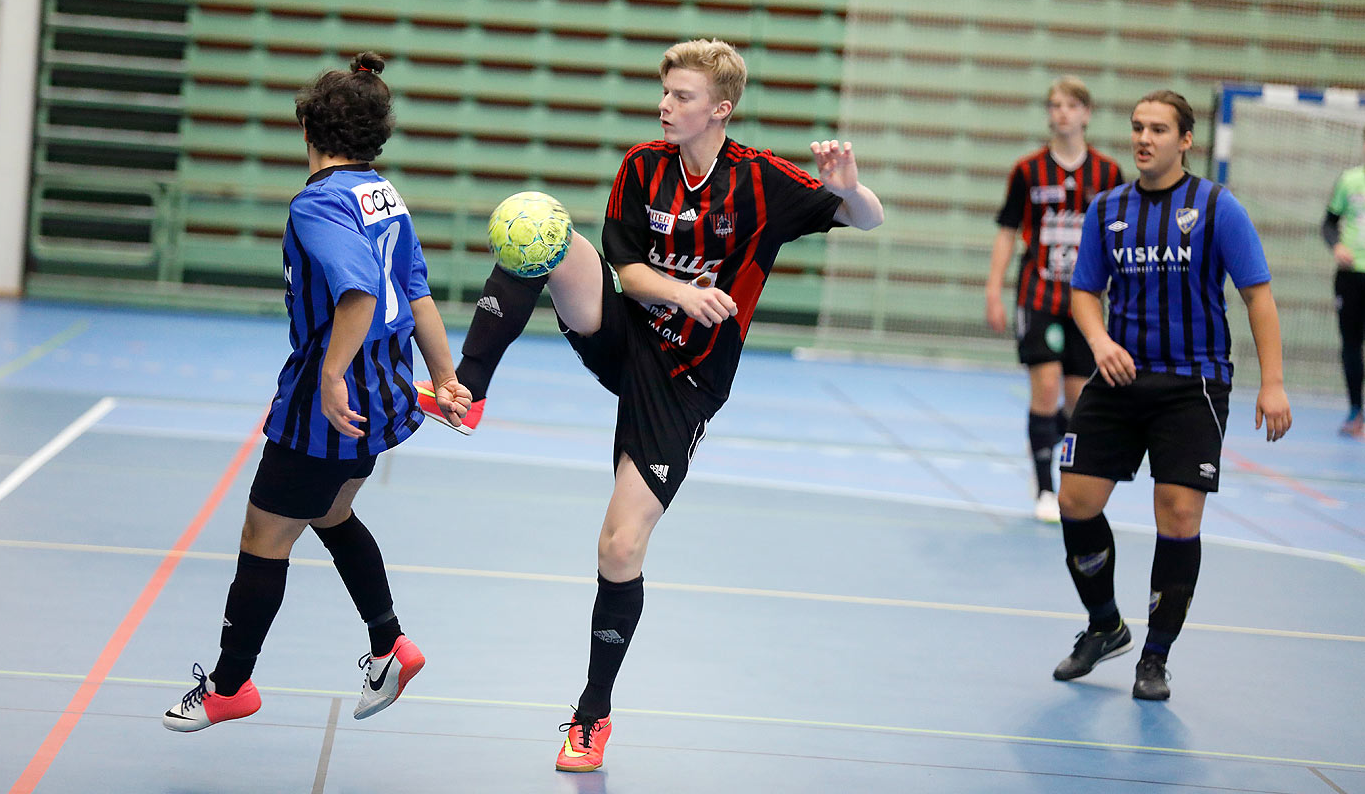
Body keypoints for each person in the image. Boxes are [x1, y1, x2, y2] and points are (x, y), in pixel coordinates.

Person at [418, 39, 884, 771]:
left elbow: (868, 221)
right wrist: (683, 293)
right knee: (540, 227)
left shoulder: (761, 183)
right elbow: (627, 269)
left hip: (685, 382)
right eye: (665, 92)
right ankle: (467, 390)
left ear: (719, 109)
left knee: (619, 547)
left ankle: (591, 716)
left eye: (683, 96)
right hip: (625, 333)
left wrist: (851, 188)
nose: (666, 106)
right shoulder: (642, 167)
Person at [161, 52, 471, 733]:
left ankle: (230, 685)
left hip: (330, 405)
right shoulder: (384, 195)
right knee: (330, 515)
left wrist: (330, 375)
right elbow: (416, 290)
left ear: (309, 130)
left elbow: (360, 293)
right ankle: (390, 644)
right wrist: (445, 378)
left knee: (263, 535)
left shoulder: (317, 205)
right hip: (387, 394)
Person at [1054, 89, 1291, 701]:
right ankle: (1105, 625)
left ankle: (1155, 657)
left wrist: (1273, 382)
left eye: (1159, 129)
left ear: (1185, 140)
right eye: (1137, 126)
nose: (1144, 138)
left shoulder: (1216, 207)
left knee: (1179, 514)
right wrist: (1100, 340)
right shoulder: (1107, 207)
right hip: (1120, 377)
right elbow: (1084, 292)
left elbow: (1257, 295)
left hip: (1193, 383)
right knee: (1076, 499)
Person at [986, 77, 1123, 523]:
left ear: (1086, 112)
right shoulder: (1028, 171)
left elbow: (1116, 239)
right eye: (1054, 105)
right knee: (1044, 387)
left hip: (1085, 302)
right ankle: (1044, 488)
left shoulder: (1107, 174)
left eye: (1070, 105)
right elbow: (1008, 231)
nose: (1061, 112)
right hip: (1038, 294)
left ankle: (1069, 481)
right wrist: (993, 288)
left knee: (1076, 398)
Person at [1322, 132, 1365, 438]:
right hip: (1351, 277)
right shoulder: (1350, 181)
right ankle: (1355, 411)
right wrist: (1336, 246)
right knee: (1351, 343)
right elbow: (1327, 223)